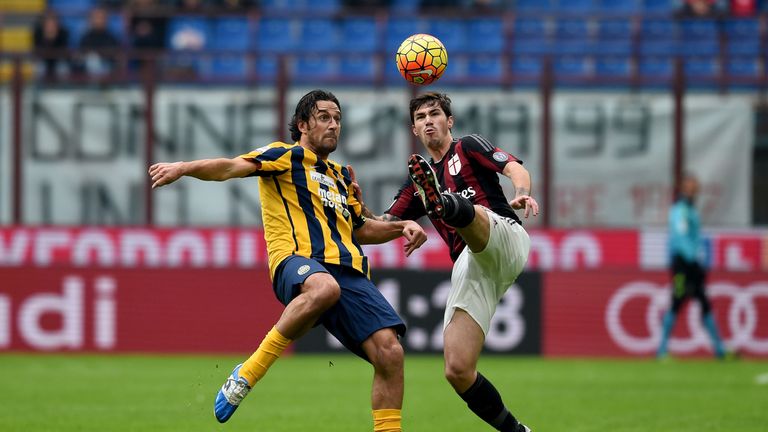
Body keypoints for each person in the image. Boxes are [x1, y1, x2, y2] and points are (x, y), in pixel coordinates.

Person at [149, 90, 427, 431]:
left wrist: (403, 227)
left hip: (350, 272)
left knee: (390, 353)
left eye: (337, 118)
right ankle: (248, 372)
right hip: (297, 259)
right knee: (324, 288)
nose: (333, 125)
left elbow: (363, 229)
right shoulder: (284, 155)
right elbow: (229, 168)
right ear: (302, 125)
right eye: (324, 117)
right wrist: (183, 167)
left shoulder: (342, 176)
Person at [353, 92, 537, 432]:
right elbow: (378, 225)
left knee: (473, 214)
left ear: (448, 121)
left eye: (434, 114)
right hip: (472, 265)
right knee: (457, 369)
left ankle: (446, 204)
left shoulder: (468, 147)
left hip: (504, 235)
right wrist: (356, 208)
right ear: (414, 129)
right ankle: (517, 431)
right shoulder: (416, 181)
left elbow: (512, 166)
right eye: (421, 117)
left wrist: (521, 191)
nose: (428, 121)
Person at [656, 173, 727, 360]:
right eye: (689, 186)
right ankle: (661, 350)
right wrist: (692, 261)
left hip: (690, 266)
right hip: (682, 266)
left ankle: (719, 349)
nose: (693, 190)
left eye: (694, 186)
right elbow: (681, 238)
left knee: (702, 303)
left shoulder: (690, 210)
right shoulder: (681, 210)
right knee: (677, 301)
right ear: (683, 188)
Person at [78, 7, 122, 76]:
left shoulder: (112, 38)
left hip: (108, 70)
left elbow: (116, 58)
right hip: (88, 72)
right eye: (96, 17)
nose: (99, 20)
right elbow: (80, 56)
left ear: (106, 19)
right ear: (91, 19)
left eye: (101, 17)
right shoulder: (85, 38)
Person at [33, 11, 70, 80]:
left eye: (53, 23)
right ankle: (40, 87)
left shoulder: (63, 33)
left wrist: (54, 37)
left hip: (58, 59)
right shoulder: (38, 33)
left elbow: (63, 50)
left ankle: (62, 87)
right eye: (48, 23)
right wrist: (47, 38)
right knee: (39, 67)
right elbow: (37, 50)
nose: (50, 25)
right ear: (44, 24)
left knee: (62, 67)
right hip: (44, 59)